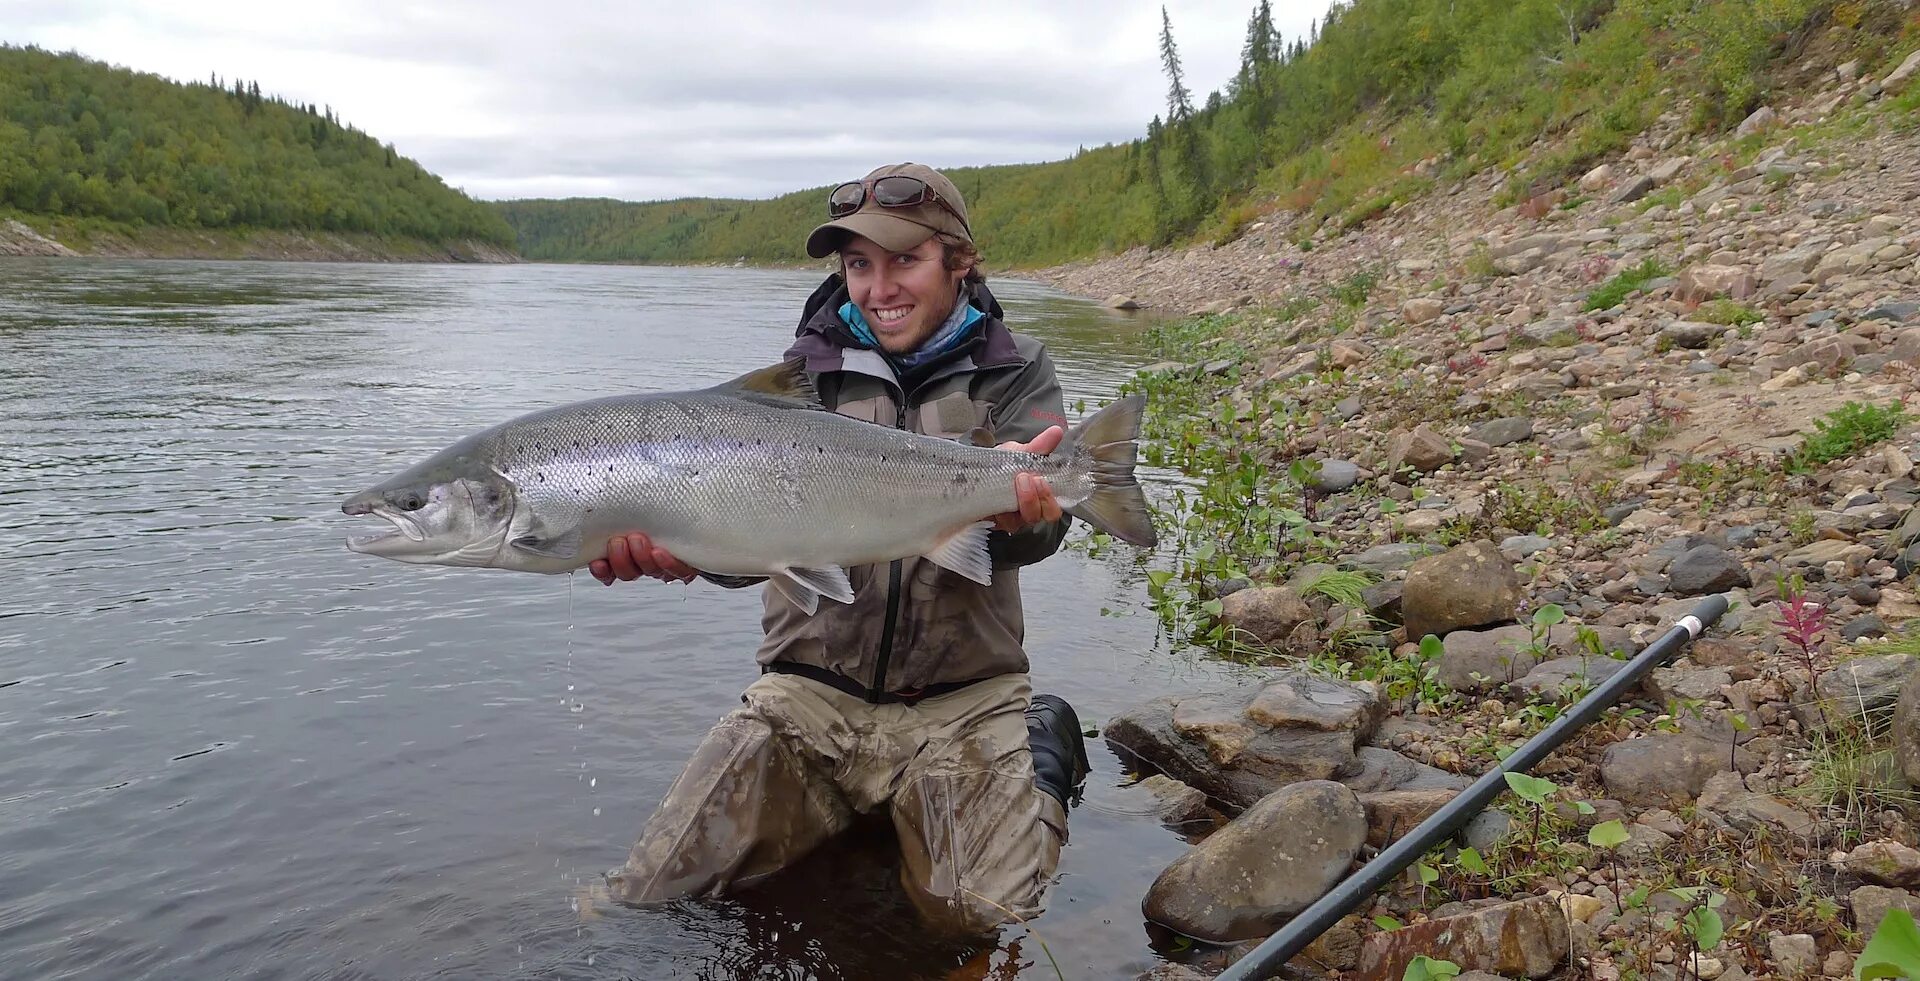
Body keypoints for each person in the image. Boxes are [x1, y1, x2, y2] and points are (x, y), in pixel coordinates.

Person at [588, 162, 1092, 936]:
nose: (878, 287)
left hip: (964, 698)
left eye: (903, 262)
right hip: (808, 695)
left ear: (958, 263)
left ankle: (1041, 760)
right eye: (859, 265)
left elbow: (1044, 534)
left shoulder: (1015, 369)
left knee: (977, 919)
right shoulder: (795, 382)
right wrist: (684, 548)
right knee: (654, 891)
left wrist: (1032, 513)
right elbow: (747, 546)